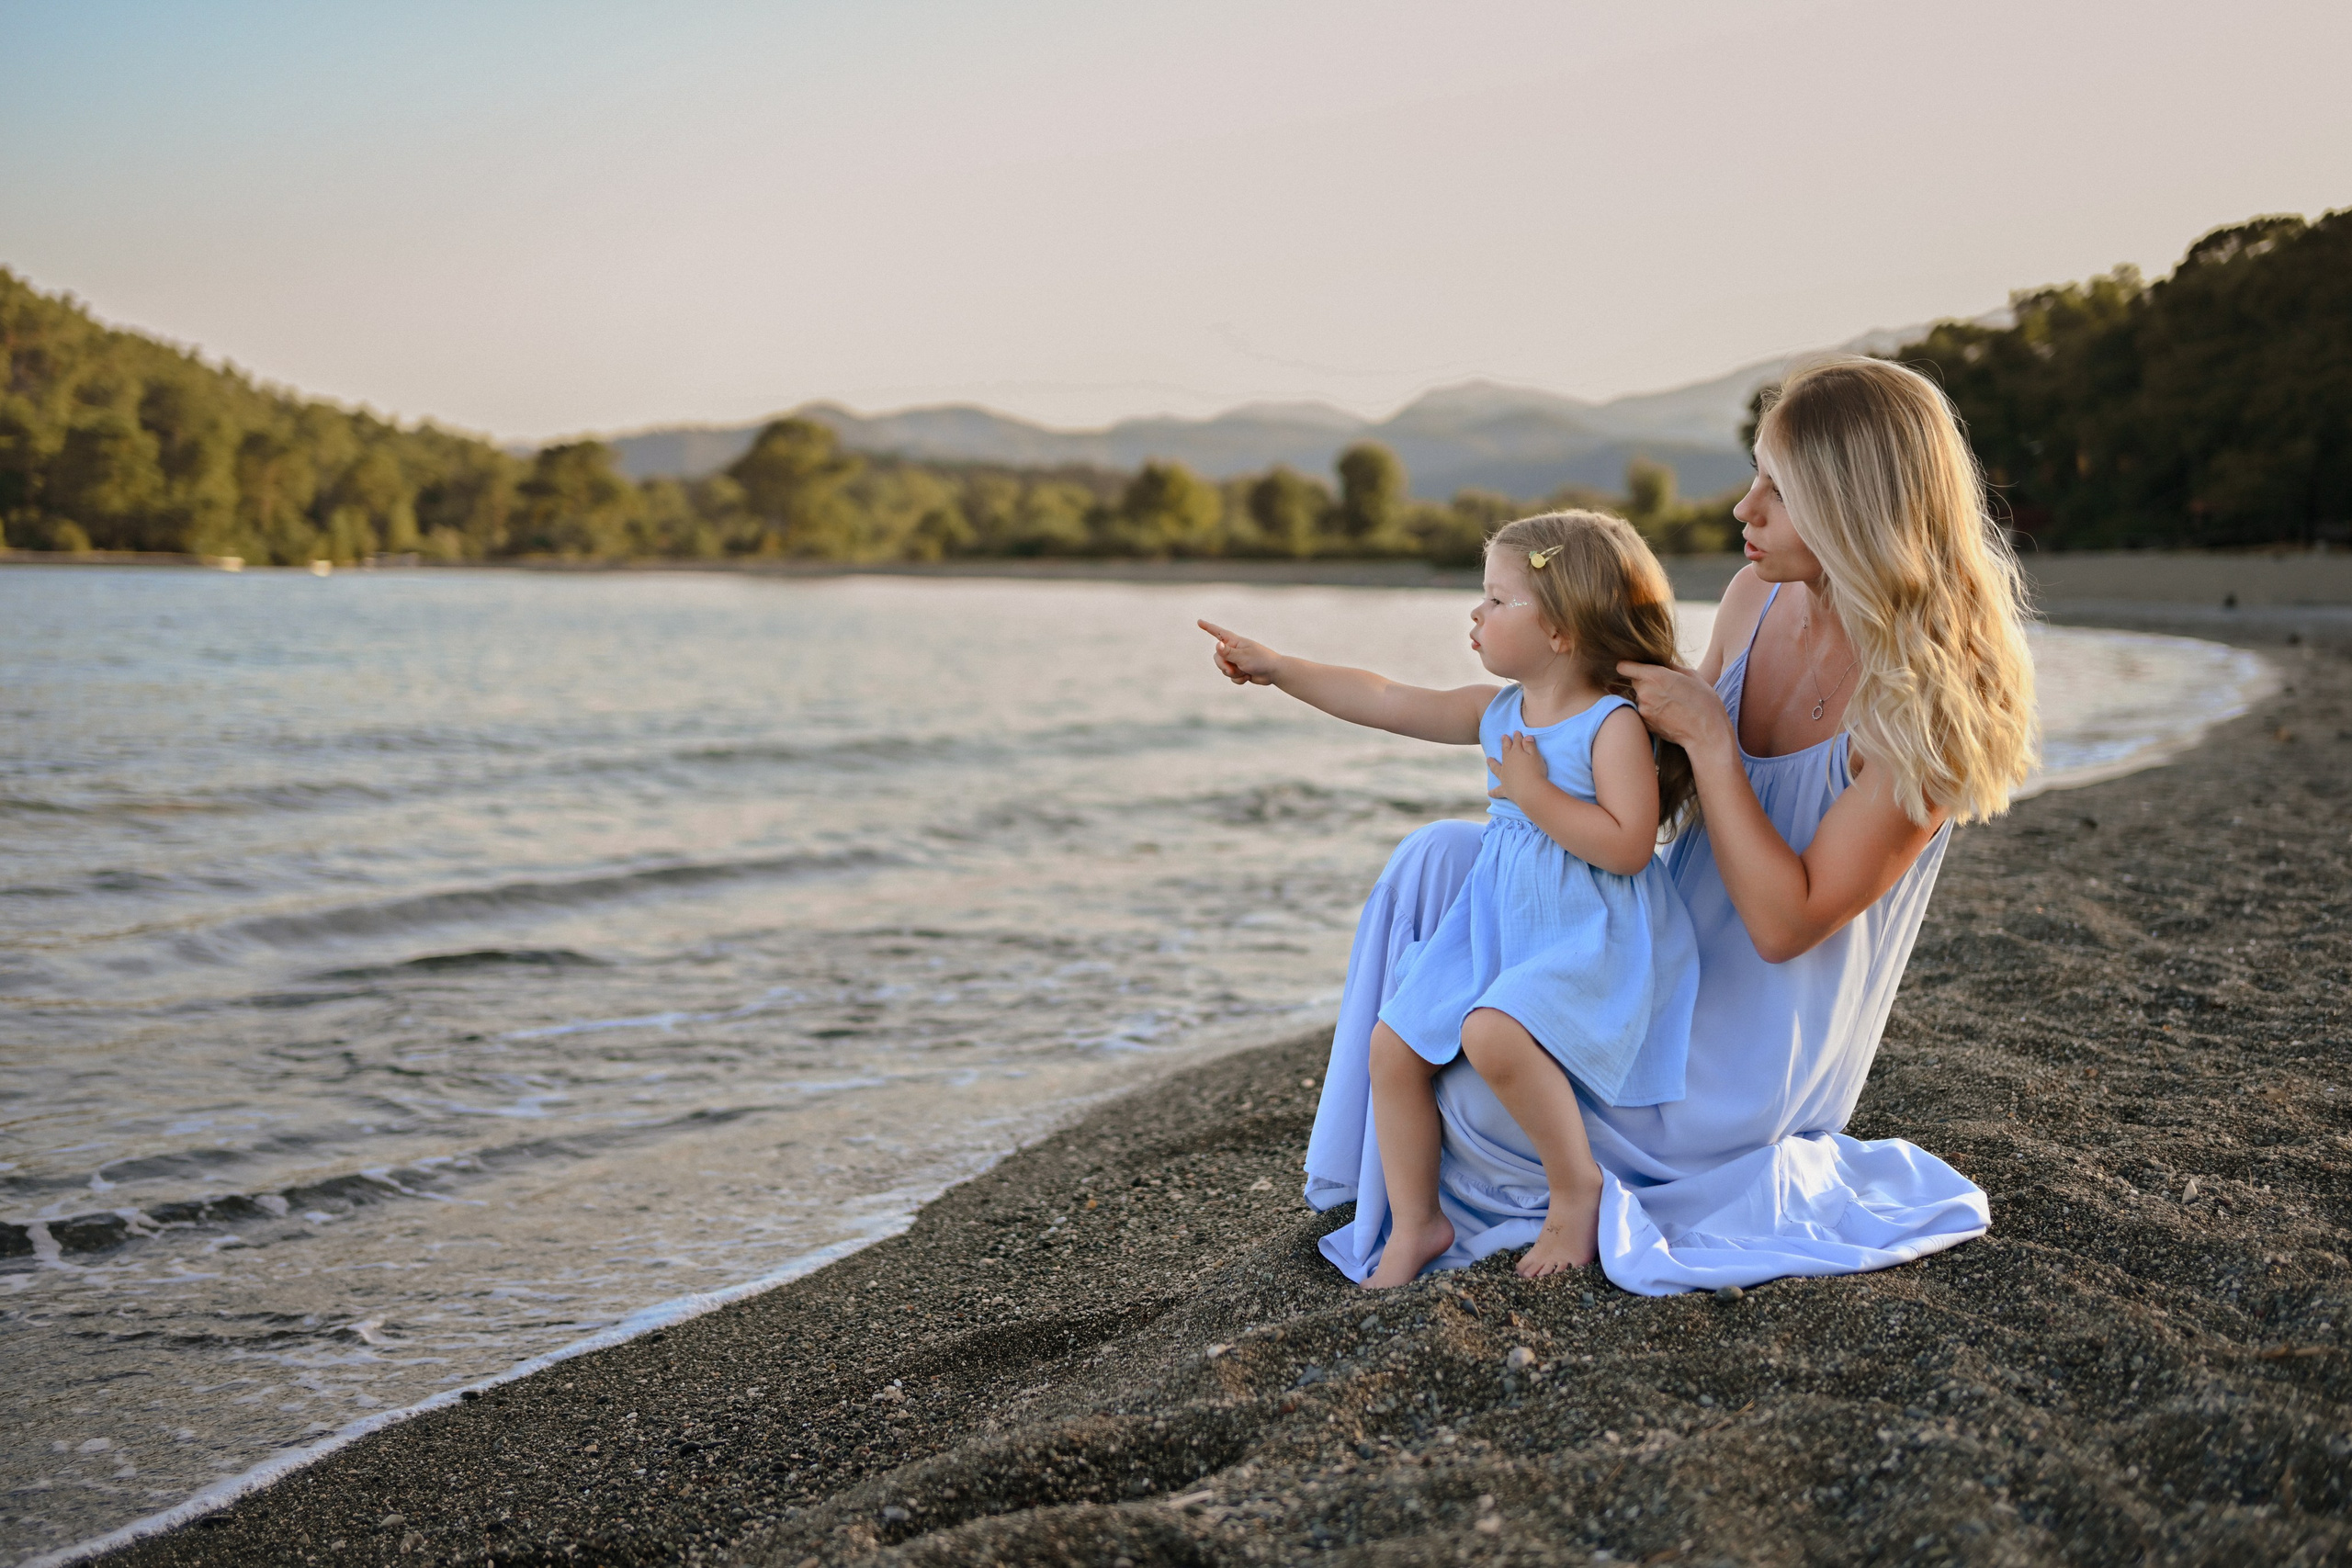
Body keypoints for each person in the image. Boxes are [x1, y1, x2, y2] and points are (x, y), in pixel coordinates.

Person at [1302, 356, 2038, 1295]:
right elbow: (1650, 798)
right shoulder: (1754, 597)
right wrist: (1568, 708)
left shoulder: (1931, 694)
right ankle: (1377, 1189)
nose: (1745, 508)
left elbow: (1785, 924)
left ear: (1856, 504)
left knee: (1480, 1102)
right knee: (1437, 862)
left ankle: (1490, 1178)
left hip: (1748, 1036)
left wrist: (1713, 747)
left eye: (1778, 487)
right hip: (1654, 945)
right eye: (1754, 475)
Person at [1200, 511, 1702, 1288]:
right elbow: (1387, 698)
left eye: (1498, 600)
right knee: (1392, 1045)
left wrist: (1535, 796)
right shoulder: (1498, 710)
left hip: (1586, 932)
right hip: (1499, 923)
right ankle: (1417, 1222)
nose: (1476, 614)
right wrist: (1279, 668)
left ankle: (1575, 1191)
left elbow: (1631, 845)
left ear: (1564, 630)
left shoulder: (1611, 725)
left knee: (1495, 1036)